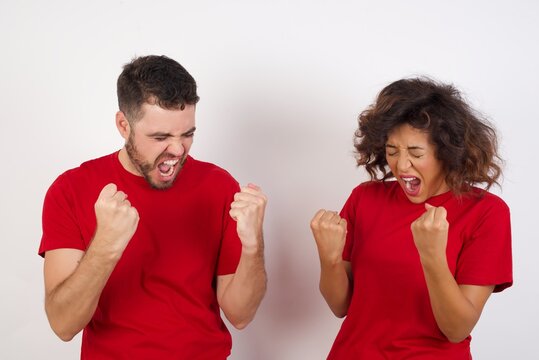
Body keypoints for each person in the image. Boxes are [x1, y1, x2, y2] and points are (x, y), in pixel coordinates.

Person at [39, 55, 267, 359]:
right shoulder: (70, 190)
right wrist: (105, 246)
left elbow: (241, 315)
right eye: (160, 137)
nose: (177, 150)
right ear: (123, 124)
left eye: (187, 135)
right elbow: (63, 324)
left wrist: (253, 248)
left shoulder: (219, 186)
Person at [310, 77, 512, 359]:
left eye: (416, 152)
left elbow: (456, 329)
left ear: (447, 153)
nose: (401, 165)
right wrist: (329, 259)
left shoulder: (486, 212)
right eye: (392, 151)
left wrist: (432, 257)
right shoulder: (365, 198)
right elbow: (340, 306)